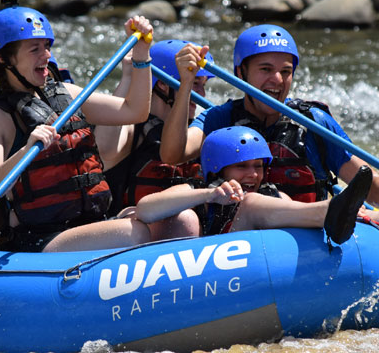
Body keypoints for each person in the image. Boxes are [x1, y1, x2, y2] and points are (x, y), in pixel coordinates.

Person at [0, 2, 154, 252]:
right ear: (3, 58)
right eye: (34, 49)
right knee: (135, 233)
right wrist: (24, 150)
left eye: (47, 46)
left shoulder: (67, 94)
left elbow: (135, 111)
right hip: (40, 239)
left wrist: (142, 54)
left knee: (163, 217)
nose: (47, 55)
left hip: (88, 223)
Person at [159, 24, 379, 207]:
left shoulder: (313, 122)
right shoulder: (219, 118)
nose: (277, 80)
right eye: (265, 69)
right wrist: (186, 84)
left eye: (285, 72)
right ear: (240, 73)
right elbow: (172, 155)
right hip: (240, 236)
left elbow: (368, 184)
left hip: (307, 243)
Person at [137, 126, 373, 245]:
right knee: (249, 204)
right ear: (218, 170)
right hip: (207, 274)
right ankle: (328, 210)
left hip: (247, 273)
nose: (252, 174)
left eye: (258, 166)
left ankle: (333, 211)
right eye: (241, 166)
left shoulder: (269, 195)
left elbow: (294, 221)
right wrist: (209, 195)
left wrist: (358, 214)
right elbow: (145, 209)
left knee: (255, 202)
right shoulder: (199, 189)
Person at [95, 39, 214, 240]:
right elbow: (104, 150)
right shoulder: (132, 130)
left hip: (185, 236)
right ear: (162, 85)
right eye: (195, 83)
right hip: (131, 234)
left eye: (203, 85)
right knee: (184, 221)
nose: (202, 94)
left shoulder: (197, 131)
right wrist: (128, 78)